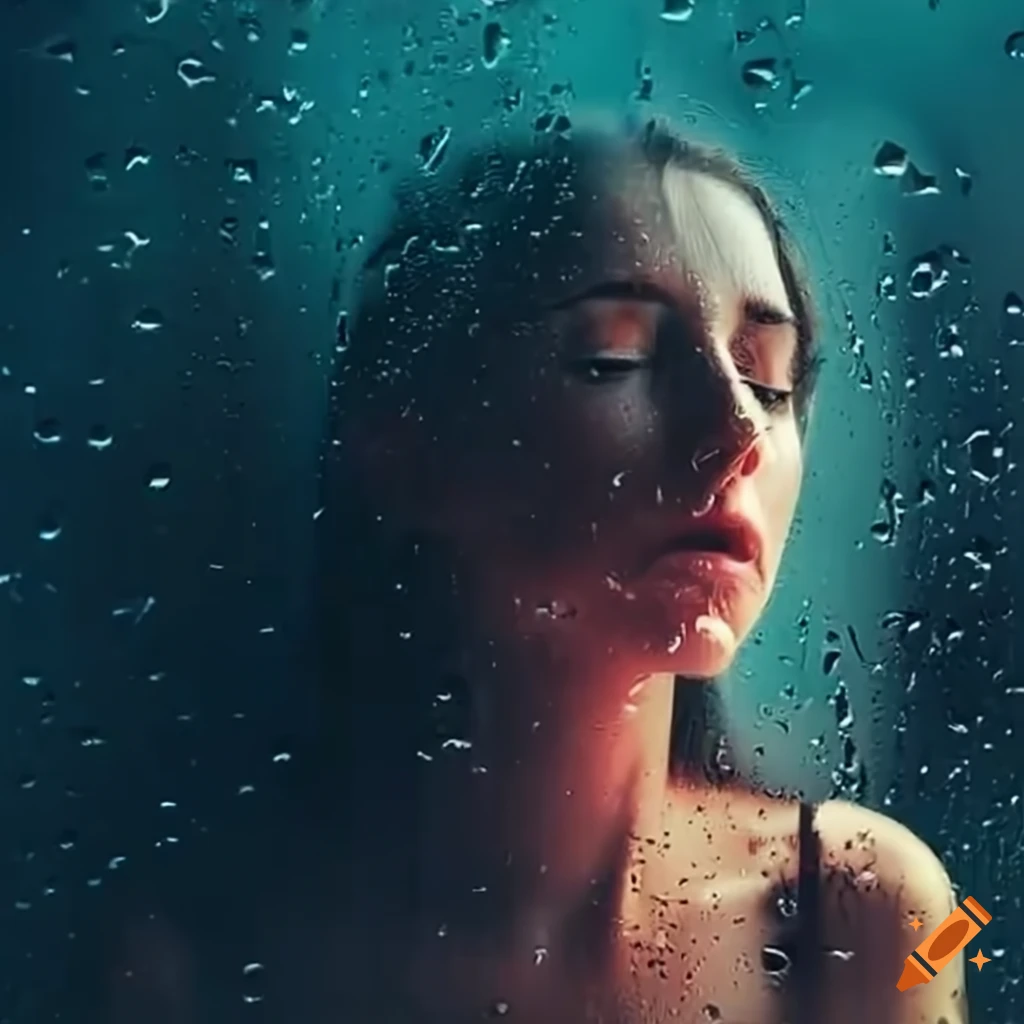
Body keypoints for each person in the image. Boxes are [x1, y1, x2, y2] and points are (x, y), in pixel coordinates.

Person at [89, 118, 968, 1024]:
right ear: (409, 448)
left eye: (769, 380)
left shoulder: (867, 913)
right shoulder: (196, 957)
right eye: (614, 358)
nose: (740, 427)